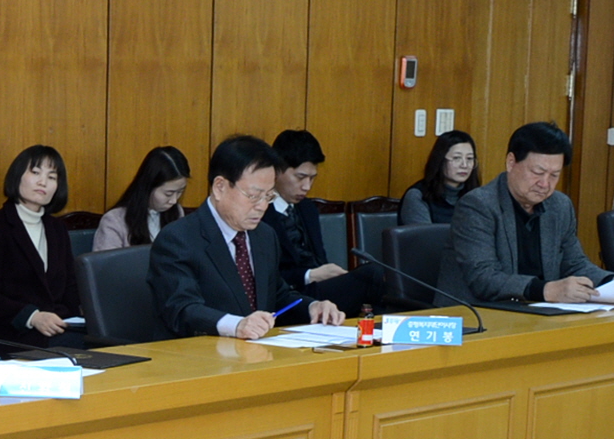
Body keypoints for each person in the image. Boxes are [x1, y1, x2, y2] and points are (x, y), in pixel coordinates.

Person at [149, 134, 349, 341]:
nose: (262, 206)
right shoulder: (178, 239)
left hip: (256, 352)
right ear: (220, 187)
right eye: (254, 196)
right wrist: (236, 325)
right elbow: (181, 309)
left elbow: (277, 296)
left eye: (269, 196)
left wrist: (312, 306)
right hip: (198, 354)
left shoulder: (264, 235)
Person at [437, 122, 614, 306]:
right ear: (511, 162)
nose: (545, 184)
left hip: (536, 313)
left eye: (554, 175)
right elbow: (484, 278)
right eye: (537, 172)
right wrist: (547, 290)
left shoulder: (559, 206)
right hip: (476, 317)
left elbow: (574, 264)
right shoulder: (478, 206)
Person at [0, 144, 85, 349]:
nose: (43, 182)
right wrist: (33, 317)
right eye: (35, 172)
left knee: (104, 341)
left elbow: (70, 287)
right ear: (17, 176)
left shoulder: (57, 228)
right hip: (12, 332)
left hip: (57, 329)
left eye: (52, 177)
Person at [268, 129, 391, 313]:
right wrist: (309, 275)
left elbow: (320, 259)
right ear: (276, 170)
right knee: (371, 275)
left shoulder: (307, 208)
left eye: (312, 178)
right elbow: (264, 277)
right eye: (300, 177)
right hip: (288, 297)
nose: (307, 186)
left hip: (319, 290)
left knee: (376, 280)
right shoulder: (260, 212)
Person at [94, 146, 190, 251]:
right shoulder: (115, 221)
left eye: (180, 192)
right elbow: (106, 261)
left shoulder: (176, 212)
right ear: (148, 187)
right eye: (168, 194)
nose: (174, 201)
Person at [399, 130, 480, 225]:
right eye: (456, 158)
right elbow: (423, 234)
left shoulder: (475, 196)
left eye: (469, 158)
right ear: (440, 160)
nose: (464, 165)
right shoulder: (418, 196)